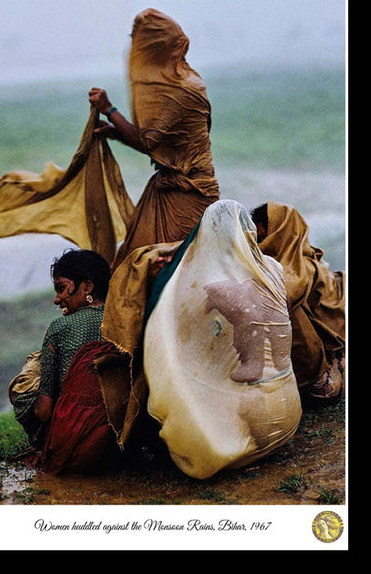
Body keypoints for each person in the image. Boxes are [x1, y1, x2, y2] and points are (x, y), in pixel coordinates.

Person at [102, 199, 302, 480]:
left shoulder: (213, 287)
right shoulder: (274, 270)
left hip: (255, 421)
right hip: (289, 417)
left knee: (179, 399)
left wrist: (165, 276)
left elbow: (176, 325)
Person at [88, 8, 220, 270]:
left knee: (172, 271)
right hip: (165, 188)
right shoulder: (174, 82)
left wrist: (109, 110)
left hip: (188, 195)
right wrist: (118, 134)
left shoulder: (184, 89)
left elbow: (149, 142)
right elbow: (156, 143)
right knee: (128, 267)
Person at [9, 248, 128, 475]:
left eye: (62, 288)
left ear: (87, 287)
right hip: (120, 442)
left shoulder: (59, 328)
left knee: (29, 374)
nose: (57, 299)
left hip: (69, 447)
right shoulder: (126, 321)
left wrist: (27, 402)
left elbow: (44, 413)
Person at [251, 202, 345, 406]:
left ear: (279, 230)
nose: (257, 235)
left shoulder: (298, 270)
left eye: (261, 229)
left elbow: (284, 295)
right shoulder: (288, 262)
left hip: (323, 375)